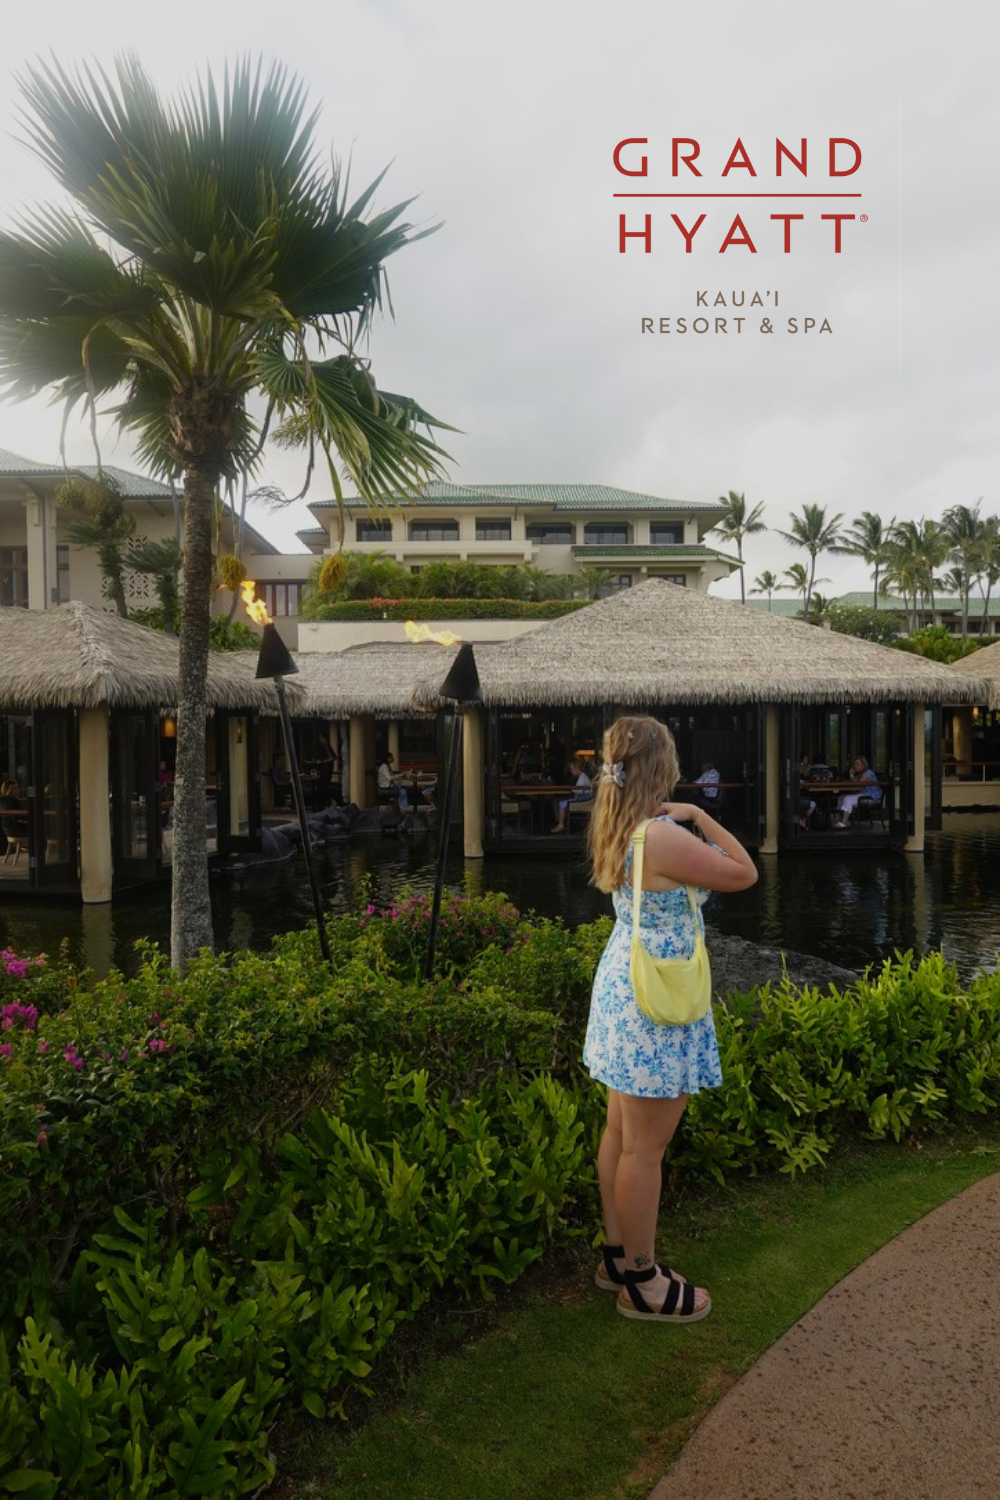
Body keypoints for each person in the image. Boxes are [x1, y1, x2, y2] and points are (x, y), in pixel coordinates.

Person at [585, 715, 758, 1323]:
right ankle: (643, 1281)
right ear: (662, 769)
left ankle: (616, 1257)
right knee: (644, 1151)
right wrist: (702, 816)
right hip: (656, 999)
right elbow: (744, 872)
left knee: (620, 1134)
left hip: (623, 987)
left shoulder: (617, 823)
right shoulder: (662, 836)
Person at [833, 755, 882, 829]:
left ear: (864, 765)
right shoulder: (860, 774)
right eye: (855, 764)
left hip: (870, 797)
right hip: (862, 794)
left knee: (847, 799)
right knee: (841, 797)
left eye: (857, 764)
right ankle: (847, 821)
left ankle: (844, 822)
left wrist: (852, 775)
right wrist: (851, 776)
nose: (855, 766)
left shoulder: (868, 773)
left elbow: (859, 783)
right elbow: (853, 781)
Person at [551, 757, 592, 833]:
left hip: (583, 800)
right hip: (583, 798)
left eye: (572, 769)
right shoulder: (582, 776)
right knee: (559, 801)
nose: (571, 771)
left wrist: (572, 790)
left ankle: (561, 825)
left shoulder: (582, 777)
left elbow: (578, 791)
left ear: (577, 768)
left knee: (561, 803)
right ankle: (560, 823)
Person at [314, 733, 342, 806]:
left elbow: (333, 758)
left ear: (324, 738)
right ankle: (322, 805)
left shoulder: (328, 747)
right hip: (323, 771)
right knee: (322, 788)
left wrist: (322, 761)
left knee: (323, 788)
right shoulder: (322, 748)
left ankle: (323, 805)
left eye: (321, 738)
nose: (320, 740)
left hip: (326, 771)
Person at [798, 753, 817, 830]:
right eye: (804, 760)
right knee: (812, 803)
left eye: (806, 760)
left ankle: (802, 820)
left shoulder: (810, 767)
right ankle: (802, 820)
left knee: (812, 799)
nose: (805, 761)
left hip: (805, 792)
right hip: (799, 795)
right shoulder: (797, 770)